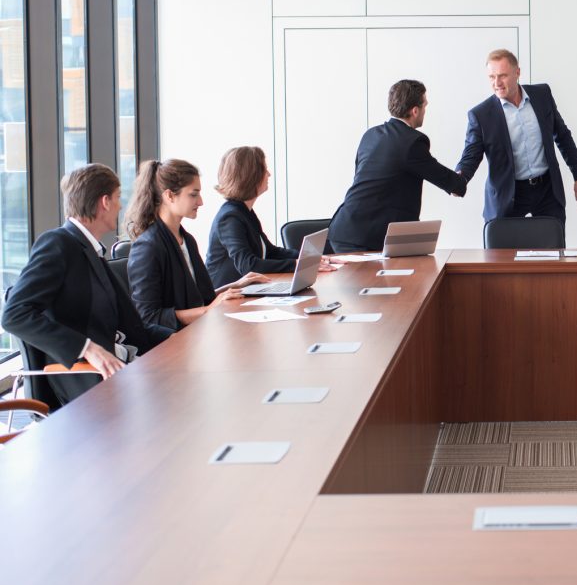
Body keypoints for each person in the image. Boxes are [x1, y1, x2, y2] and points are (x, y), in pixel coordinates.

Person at [1, 164, 172, 405]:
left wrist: (178, 339)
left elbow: (134, 328)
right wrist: (87, 348)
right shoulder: (58, 244)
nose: (121, 205)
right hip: (92, 379)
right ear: (104, 202)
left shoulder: (90, 249)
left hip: (125, 364)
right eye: (117, 198)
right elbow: (13, 315)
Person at [125, 159, 267, 331]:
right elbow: (149, 317)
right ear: (169, 196)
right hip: (170, 344)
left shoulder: (187, 240)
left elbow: (202, 298)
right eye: (193, 194)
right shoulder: (148, 247)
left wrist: (236, 285)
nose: (200, 202)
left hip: (196, 333)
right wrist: (208, 310)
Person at [456, 49, 577, 229]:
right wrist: (459, 179)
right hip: (508, 194)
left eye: (502, 76)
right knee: (501, 256)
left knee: (553, 252)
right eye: (491, 77)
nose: (497, 83)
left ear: (517, 72)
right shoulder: (481, 115)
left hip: (547, 191)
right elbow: (470, 156)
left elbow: (562, 135)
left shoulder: (542, 95)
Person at [328, 80, 466, 253]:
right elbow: (453, 184)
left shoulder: (370, 135)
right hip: (366, 238)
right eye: (425, 106)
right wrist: (459, 180)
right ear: (415, 111)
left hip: (343, 230)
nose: (425, 111)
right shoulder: (412, 142)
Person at [206, 146, 331, 288]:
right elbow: (248, 265)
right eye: (265, 170)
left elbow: (270, 252)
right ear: (252, 176)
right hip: (225, 298)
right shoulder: (230, 217)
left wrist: (308, 258)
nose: (269, 174)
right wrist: (297, 264)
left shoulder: (244, 211)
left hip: (248, 290)